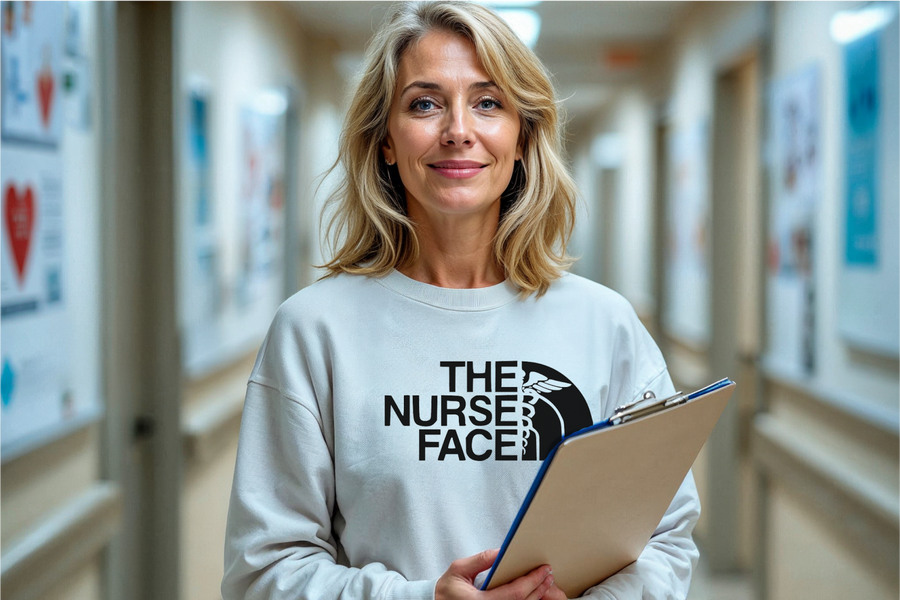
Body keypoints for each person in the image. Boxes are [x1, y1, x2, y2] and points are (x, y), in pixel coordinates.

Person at [221, 1, 700, 599]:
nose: (457, 129)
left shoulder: (603, 324)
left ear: (523, 137)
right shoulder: (314, 331)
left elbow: (667, 537)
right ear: (386, 142)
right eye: (424, 103)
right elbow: (262, 571)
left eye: (489, 102)